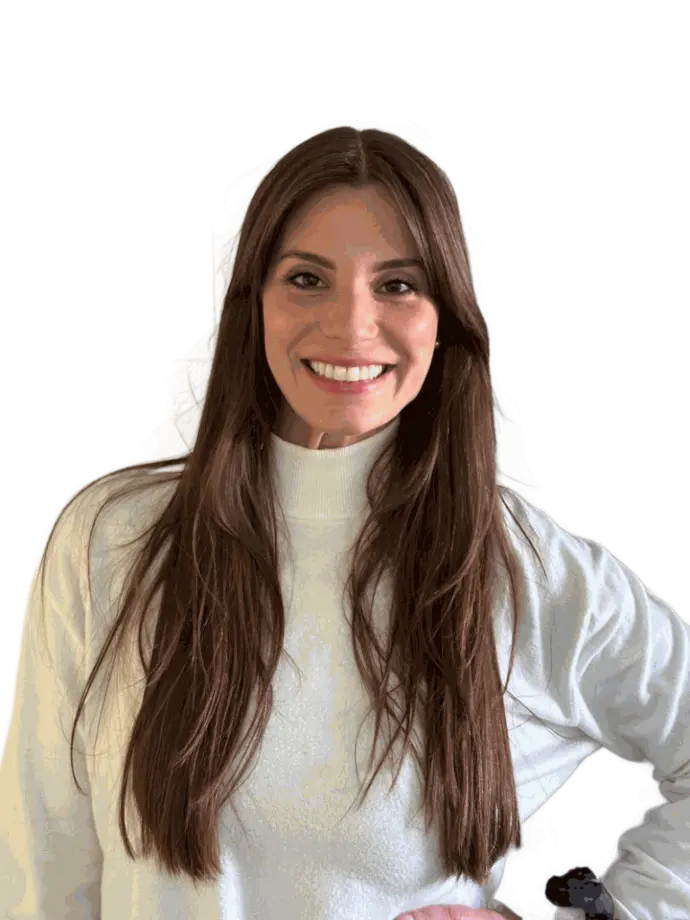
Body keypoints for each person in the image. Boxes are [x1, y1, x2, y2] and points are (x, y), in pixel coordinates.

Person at [1, 123, 688, 920]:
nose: (352, 326)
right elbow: (45, 866)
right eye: (307, 279)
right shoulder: (112, 539)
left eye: (397, 285)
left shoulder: (525, 569)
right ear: (254, 302)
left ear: (445, 316)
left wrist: (571, 919)